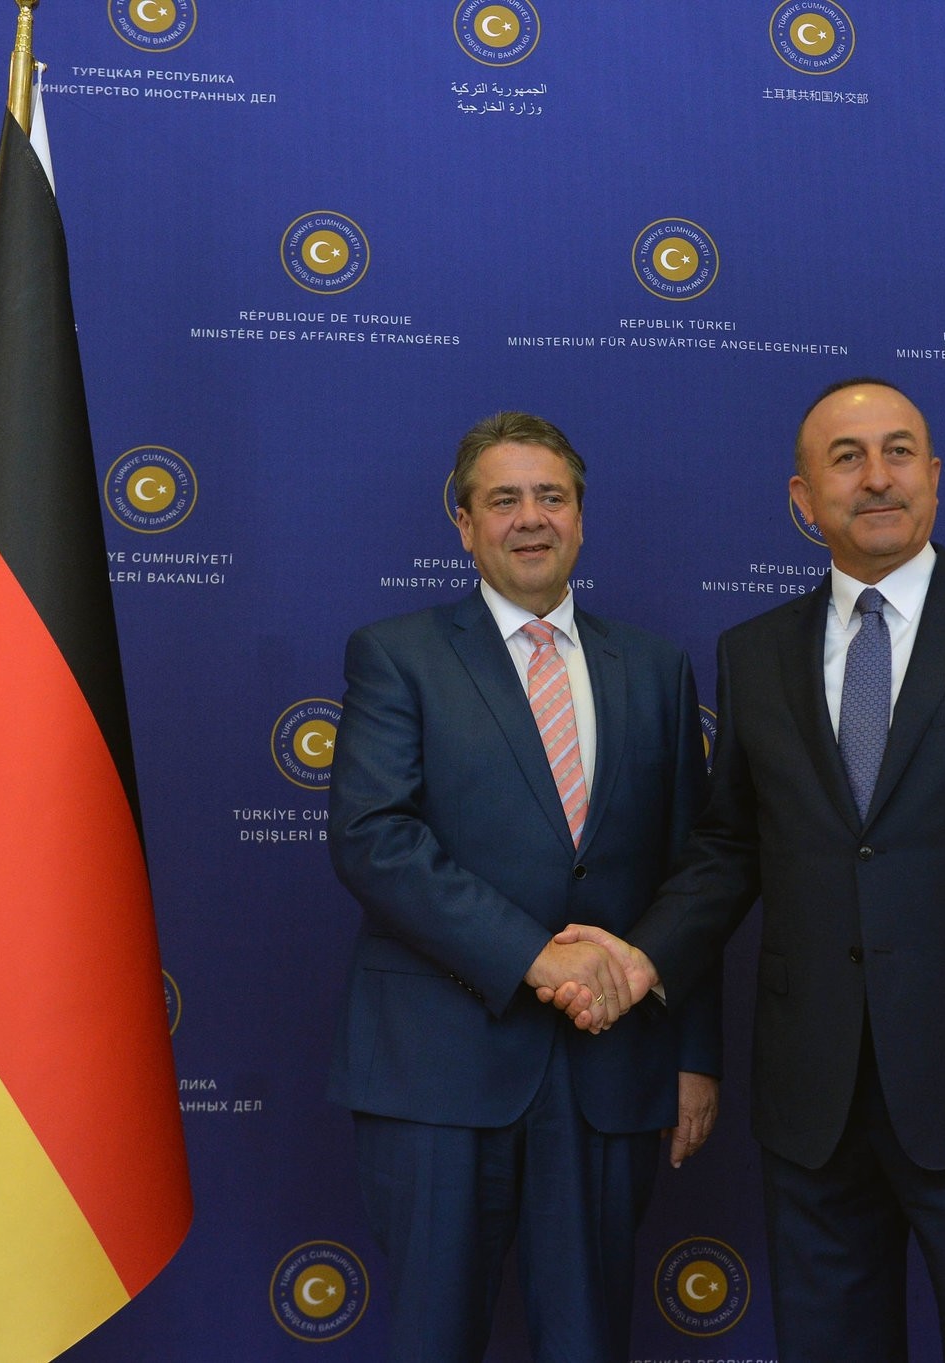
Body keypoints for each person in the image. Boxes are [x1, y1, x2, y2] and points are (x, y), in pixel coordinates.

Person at [544, 379, 945, 1361]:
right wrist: (640, 959)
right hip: (811, 1096)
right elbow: (731, 846)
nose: (876, 478)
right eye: (846, 458)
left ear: (934, 476)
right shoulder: (754, 652)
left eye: (898, 452)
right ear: (801, 499)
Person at [326, 411, 721, 1362]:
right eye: (504, 499)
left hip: (609, 1076)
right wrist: (535, 956)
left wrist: (694, 1054)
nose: (531, 517)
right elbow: (374, 839)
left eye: (552, 496)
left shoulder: (656, 669)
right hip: (439, 1071)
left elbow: (693, 871)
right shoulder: (397, 654)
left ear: (581, 517)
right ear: (464, 524)